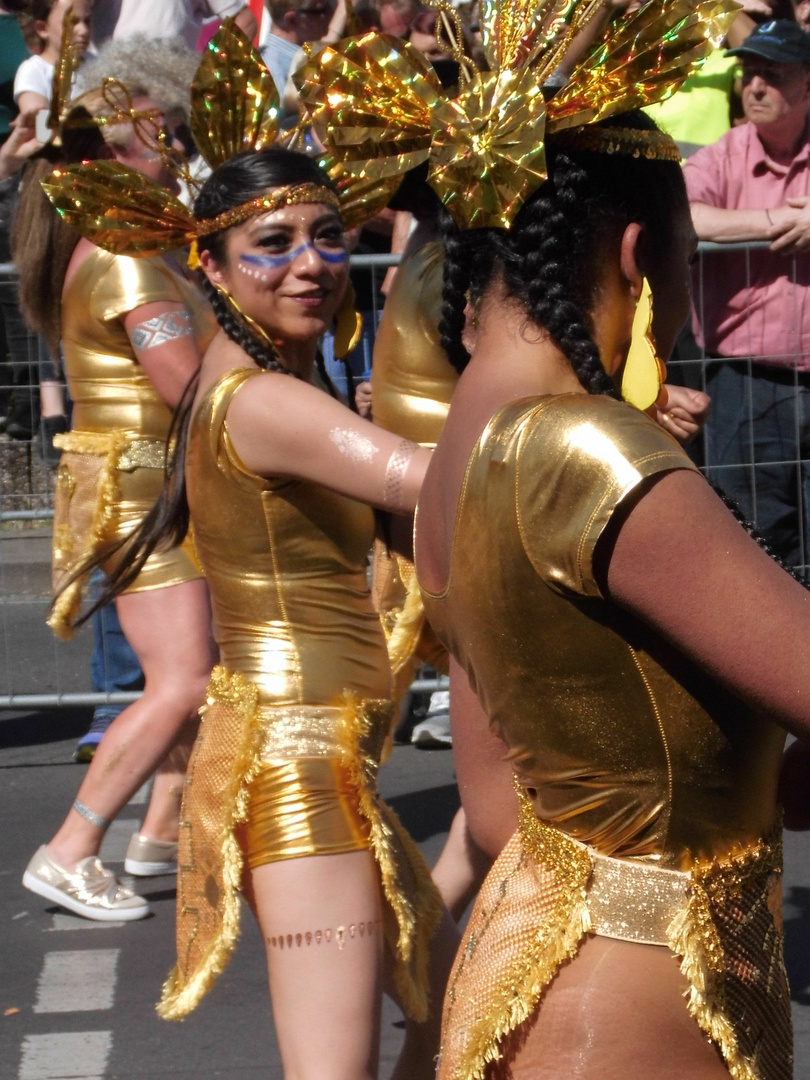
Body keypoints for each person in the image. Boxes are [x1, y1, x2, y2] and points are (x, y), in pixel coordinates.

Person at [15, 69, 217, 920]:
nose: (176, 154)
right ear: (117, 155)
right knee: (179, 678)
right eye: (160, 137)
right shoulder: (129, 261)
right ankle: (70, 848)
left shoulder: (112, 248)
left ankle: (159, 834)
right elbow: (190, 388)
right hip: (148, 487)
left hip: (149, 482)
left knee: (200, 671)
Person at [684, 19, 810, 577]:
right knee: (755, 546)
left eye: (772, 75)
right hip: (744, 384)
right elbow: (682, 215)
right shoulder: (724, 155)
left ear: (807, 85)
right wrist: (771, 221)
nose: (755, 86)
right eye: (749, 74)